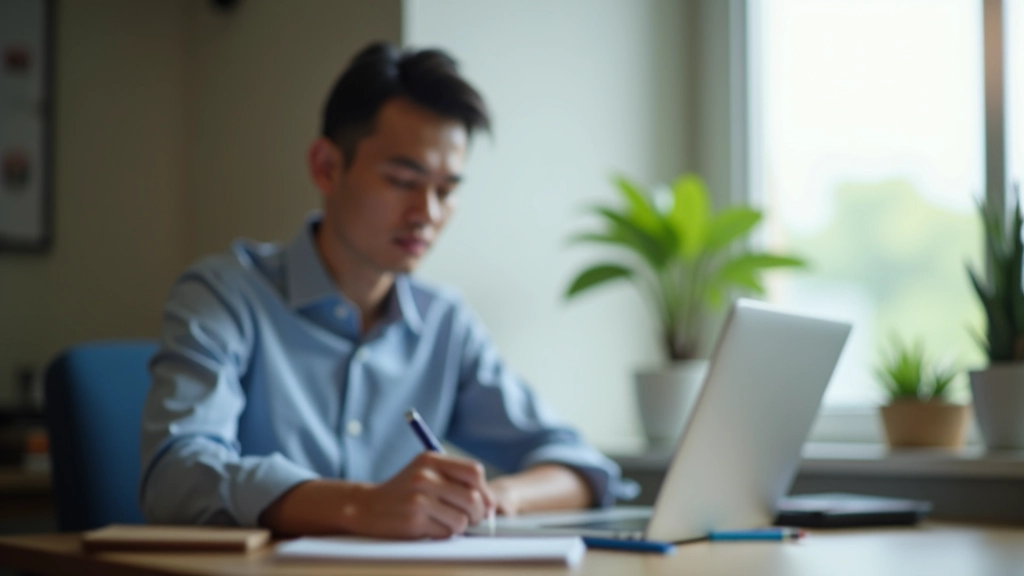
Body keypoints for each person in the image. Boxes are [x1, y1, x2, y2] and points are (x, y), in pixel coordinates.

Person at [139, 41, 634, 539]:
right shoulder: (225, 295)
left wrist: (495, 499)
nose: (428, 214)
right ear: (326, 167)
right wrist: (359, 506)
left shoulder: (444, 323)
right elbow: (175, 477)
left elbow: (579, 465)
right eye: (403, 180)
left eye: (446, 191)